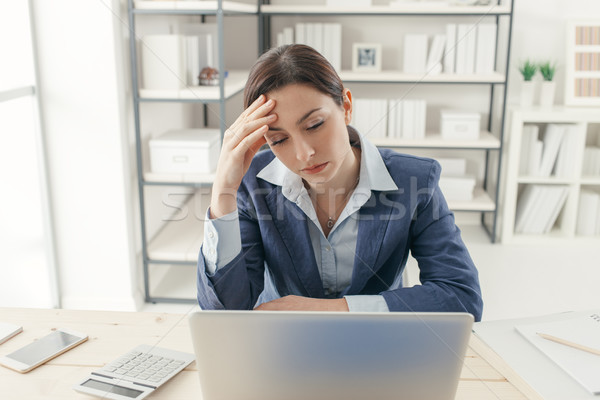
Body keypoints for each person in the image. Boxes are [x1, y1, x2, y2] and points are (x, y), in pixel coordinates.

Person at [196, 44, 483, 321]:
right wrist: (223, 192)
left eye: (314, 125)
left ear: (346, 106)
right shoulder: (252, 184)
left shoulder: (416, 180)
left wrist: (332, 310)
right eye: (279, 140)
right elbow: (226, 312)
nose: (304, 154)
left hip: (379, 344)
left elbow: (461, 298)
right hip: (282, 344)